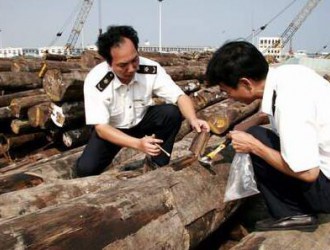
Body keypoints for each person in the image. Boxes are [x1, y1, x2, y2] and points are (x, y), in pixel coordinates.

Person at [206, 41, 330, 231]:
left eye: (227, 91)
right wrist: (250, 123)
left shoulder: (289, 103)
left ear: (245, 83)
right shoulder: (288, 74)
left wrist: (254, 147)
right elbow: (268, 114)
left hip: (326, 188)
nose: (229, 97)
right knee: (255, 132)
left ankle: (294, 213)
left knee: (257, 138)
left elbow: (308, 173)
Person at [76, 25, 209, 177]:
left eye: (134, 60)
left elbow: (180, 96)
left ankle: (157, 164)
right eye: (123, 65)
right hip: (112, 130)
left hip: (141, 120)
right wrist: (138, 144)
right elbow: (101, 128)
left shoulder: (150, 69)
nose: (132, 68)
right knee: (86, 170)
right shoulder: (96, 80)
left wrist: (193, 119)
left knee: (170, 113)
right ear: (109, 62)